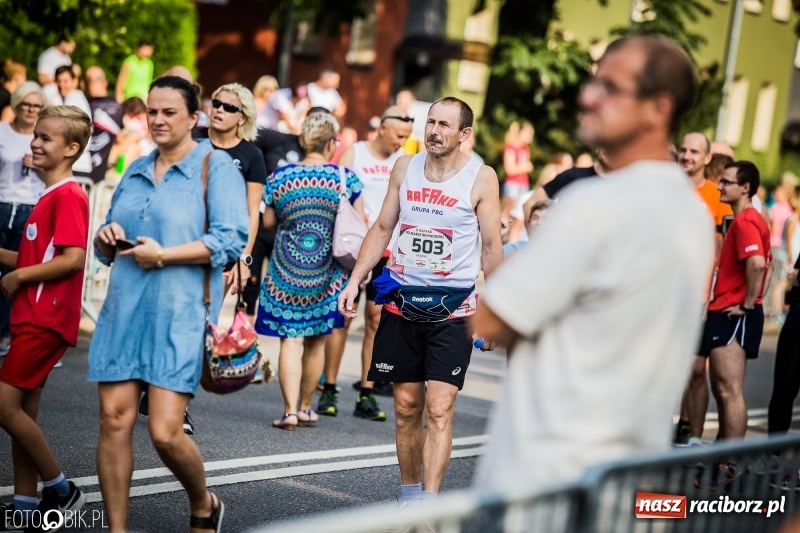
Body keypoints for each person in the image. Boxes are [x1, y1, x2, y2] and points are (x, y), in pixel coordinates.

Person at [471, 35, 714, 493]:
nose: (588, 96)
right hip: (626, 478)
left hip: (545, 481)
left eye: (609, 86)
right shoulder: (692, 213)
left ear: (657, 108)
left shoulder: (594, 204)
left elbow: (490, 319)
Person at [87, 75, 247, 532]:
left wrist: (165, 254)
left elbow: (229, 240)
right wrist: (106, 237)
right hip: (123, 309)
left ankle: (203, 503)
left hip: (178, 314)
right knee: (113, 420)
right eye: (152, 111)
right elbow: (107, 240)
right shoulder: (136, 168)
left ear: (194, 117)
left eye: (169, 112)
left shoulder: (215, 168)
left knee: (164, 431)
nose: (157, 119)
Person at [338, 96, 503, 504]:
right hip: (402, 302)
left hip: (454, 309)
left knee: (440, 407)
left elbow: (492, 246)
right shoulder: (405, 167)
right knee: (407, 406)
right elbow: (382, 227)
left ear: (465, 135)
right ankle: (409, 499)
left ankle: (427, 505)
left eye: (445, 125)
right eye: (431, 122)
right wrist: (355, 281)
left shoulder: (481, 178)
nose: (434, 131)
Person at [0, 105, 91, 530]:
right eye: (35, 135)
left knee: (4, 406)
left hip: (45, 318)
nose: (35, 143)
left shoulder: (70, 195)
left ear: (72, 149)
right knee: (23, 418)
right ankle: (23, 505)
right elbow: (35, 257)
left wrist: (20, 275)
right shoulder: (48, 195)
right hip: (31, 316)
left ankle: (60, 489)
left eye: (46, 138)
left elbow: (72, 260)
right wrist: (14, 264)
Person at [257, 112, 365, 430]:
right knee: (316, 341)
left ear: (303, 141)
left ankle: (288, 410)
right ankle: (306, 407)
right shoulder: (346, 179)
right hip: (328, 273)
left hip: (286, 270)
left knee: (291, 339)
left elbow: (268, 223)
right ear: (332, 143)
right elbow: (360, 227)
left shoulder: (279, 177)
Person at [318, 106, 412, 419]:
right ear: (382, 128)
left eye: (407, 137)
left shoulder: (404, 163)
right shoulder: (354, 154)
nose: (402, 142)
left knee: (375, 321)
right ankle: (329, 388)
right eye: (399, 135)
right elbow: (336, 196)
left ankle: (366, 393)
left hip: (388, 253)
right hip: (353, 250)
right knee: (342, 318)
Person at [695, 161, 769, 486]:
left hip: (733, 312)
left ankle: (729, 465)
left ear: (745, 187)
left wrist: (748, 304)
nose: (720, 187)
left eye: (726, 183)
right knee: (721, 389)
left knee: (729, 391)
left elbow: (756, 263)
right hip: (723, 310)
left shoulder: (746, 221)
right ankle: (722, 454)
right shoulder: (740, 219)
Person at [0, 82, 47, 359]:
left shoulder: (43, 137)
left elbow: (55, 175)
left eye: (36, 106)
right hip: (2, 203)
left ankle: (8, 331)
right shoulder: (2, 131)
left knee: (18, 270)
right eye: (26, 104)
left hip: (29, 208)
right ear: (16, 105)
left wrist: (39, 166)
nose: (30, 110)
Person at [85, 66, 124, 183]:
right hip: (100, 176)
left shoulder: (81, 105)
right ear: (105, 83)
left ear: (83, 84)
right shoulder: (119, 107)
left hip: (84, 171)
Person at [54, 66, 92, 178]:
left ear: (74, 82)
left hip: (75, 165)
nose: (61, 85)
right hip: (77, 164)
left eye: (65, 81)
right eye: (58, 81)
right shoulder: (73, 99)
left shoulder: (74, 99)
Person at [500, 121, 534, 221]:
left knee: (516, 217)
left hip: (523, 185)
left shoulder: (526, 148)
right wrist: (524, 167)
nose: (530, 136)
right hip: (512, 184)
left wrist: (523, 167)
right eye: (528, 133)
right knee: (505, 214)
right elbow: (509, 169)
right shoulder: (510, 147)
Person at [37, 34, 75, 105]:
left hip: (64, 94)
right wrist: (59, 81)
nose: (72, 50)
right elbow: (41, 78)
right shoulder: (48, 56)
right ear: (63, 43)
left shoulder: (67, 58)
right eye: (71, 46)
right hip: (50, 94)